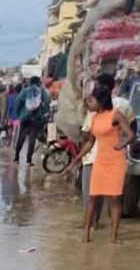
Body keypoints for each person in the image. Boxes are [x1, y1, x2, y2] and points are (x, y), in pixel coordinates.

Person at [62, 87, 134, 244]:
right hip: (100, 161)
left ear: (101, 102)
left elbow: (130, 135)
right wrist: (75, 161)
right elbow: (89, 142)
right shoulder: (94, 117)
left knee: (115, 199)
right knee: (92, 198)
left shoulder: (115, 114)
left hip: (116, 161)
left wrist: (121, 145)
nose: (89, 103)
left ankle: (114, 237)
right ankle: (86, 234)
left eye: (91, 100)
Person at [77, 74, 136, 229]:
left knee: (91, 198)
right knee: (112, 199)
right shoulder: (124, 104)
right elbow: (133, 127)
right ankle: (103, 231)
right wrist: (125, 144)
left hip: (93, 158)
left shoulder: (96, 110)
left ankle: (91, 227)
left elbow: (86, 134)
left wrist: (78, 157)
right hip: (110, 156)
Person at [14, 76, 51, 166]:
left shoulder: (25, 90)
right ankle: (28, 160)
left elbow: (18, 101)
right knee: (32, 139)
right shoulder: (41, 91)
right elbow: (47, 100)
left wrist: (19, 113)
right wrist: (43, 111)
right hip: (36, 119)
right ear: (38, 82)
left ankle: (16, 158)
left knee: (21, 138)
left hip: (25, 118)